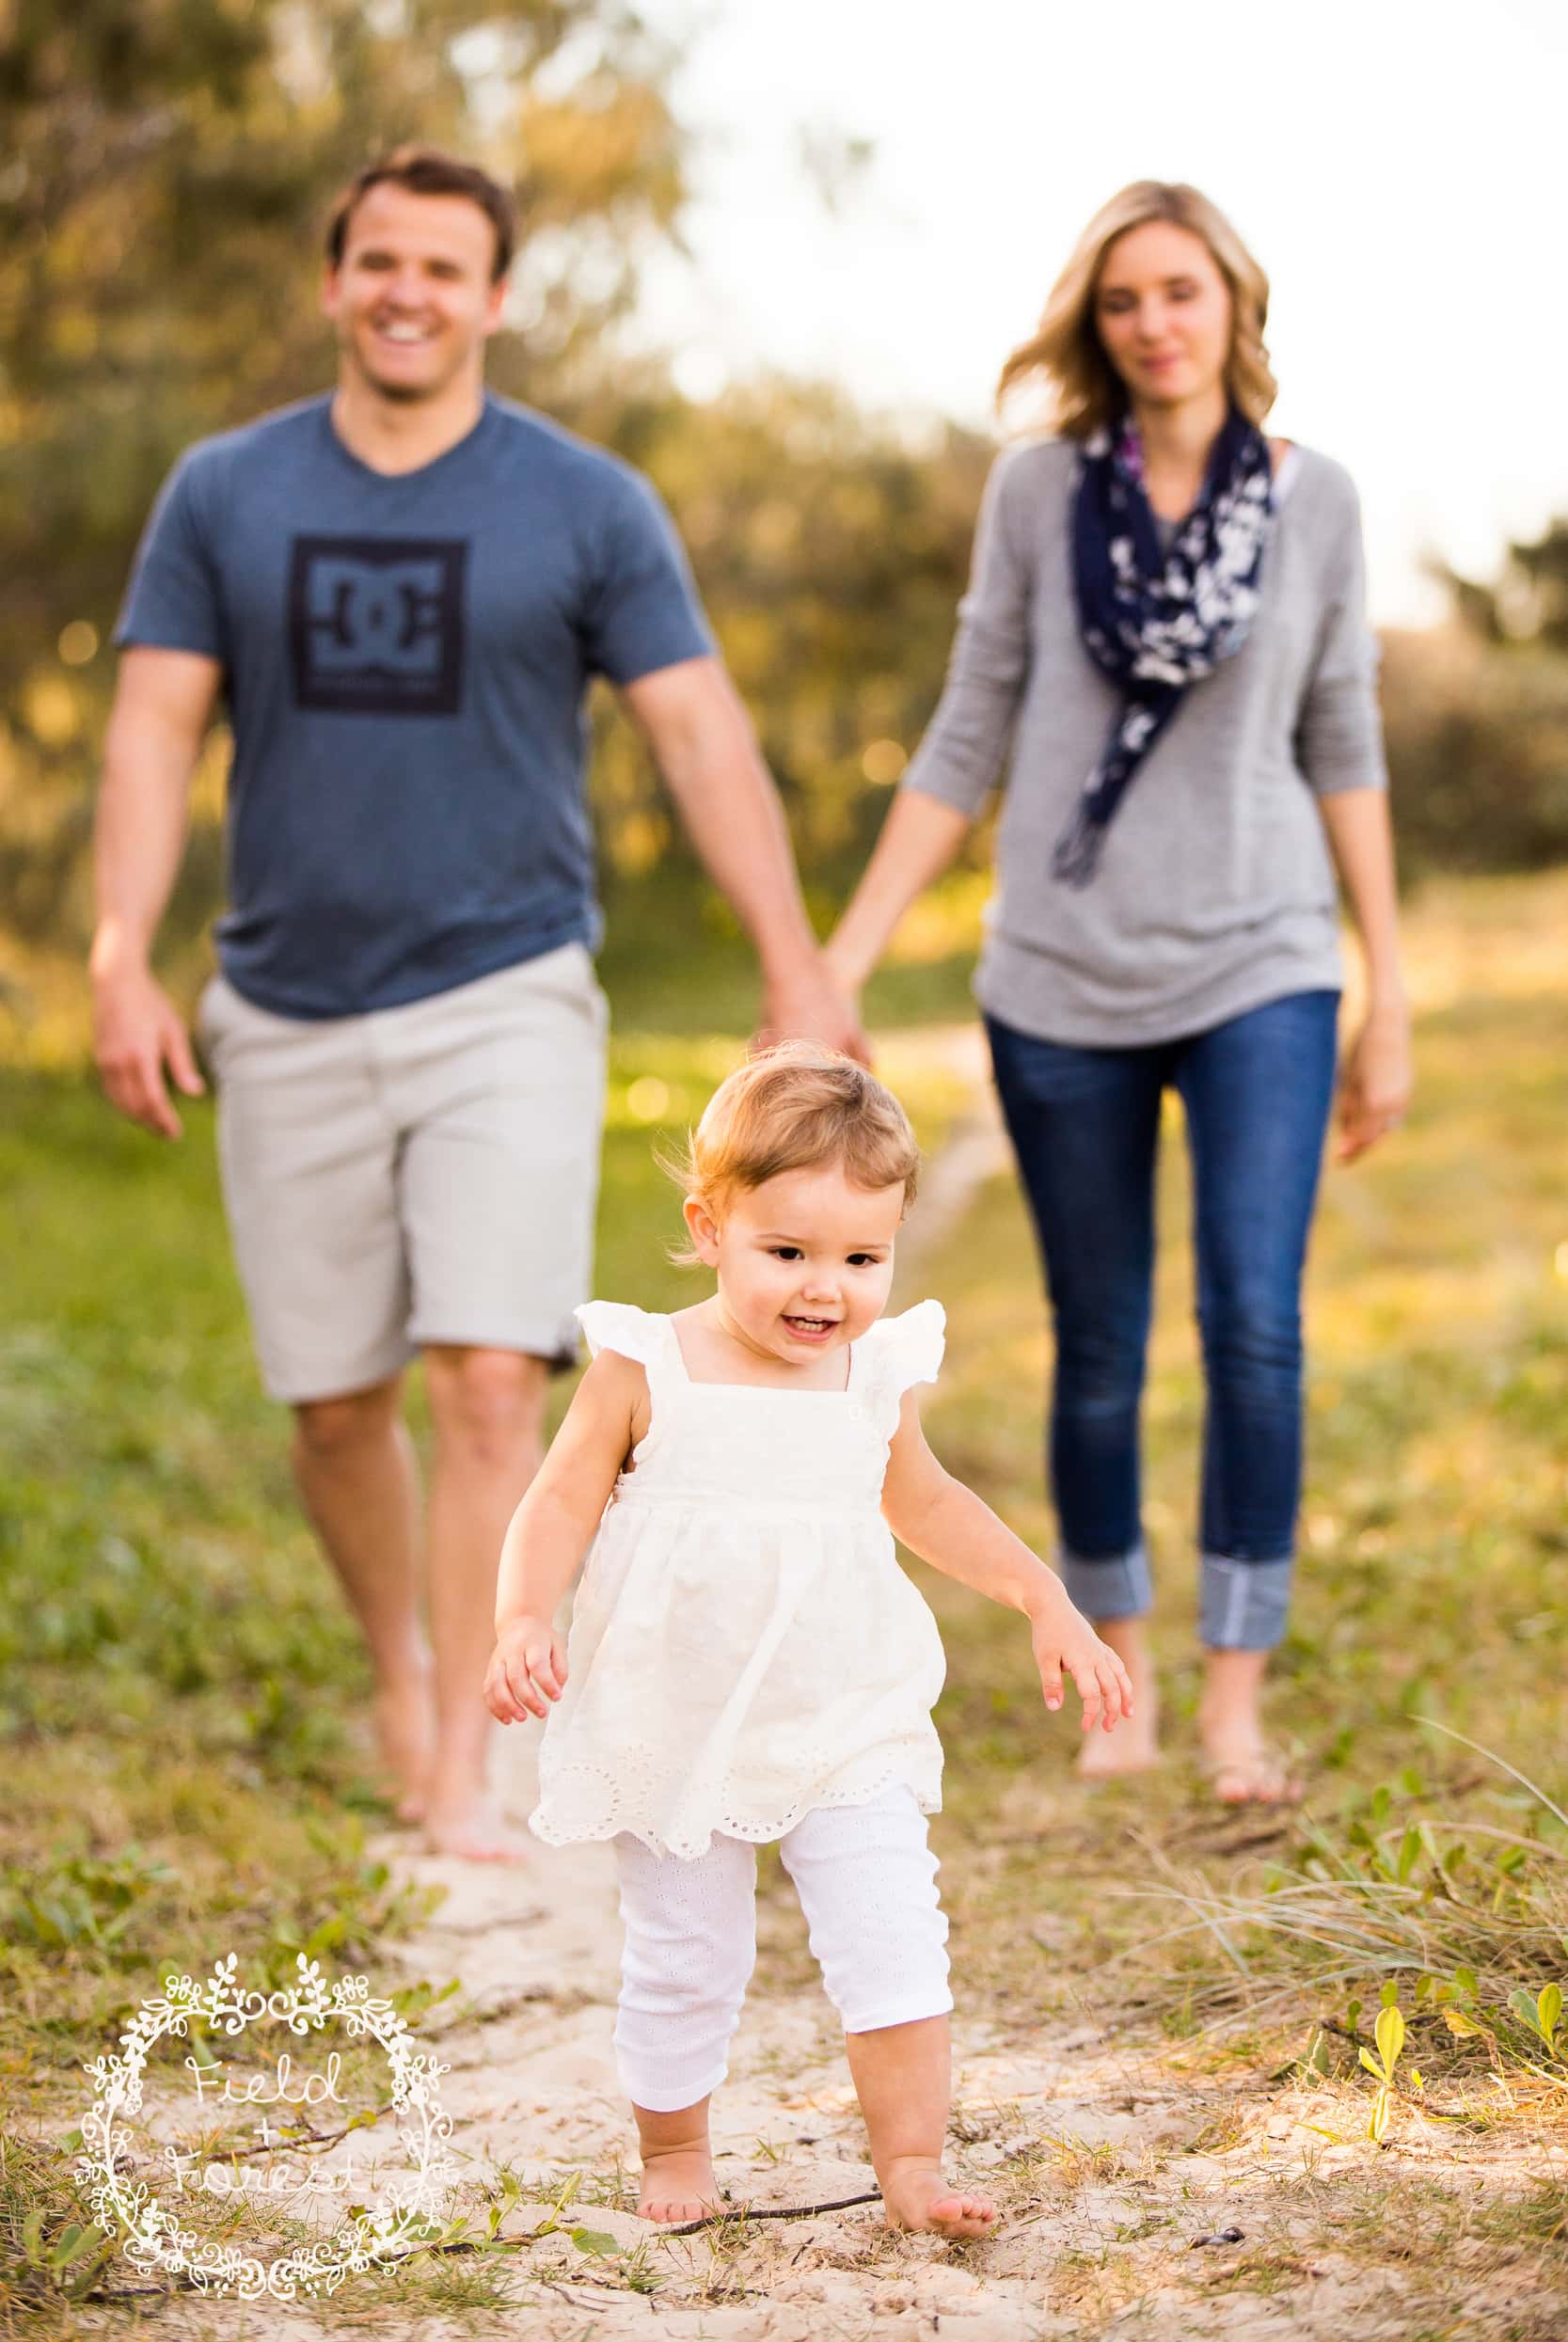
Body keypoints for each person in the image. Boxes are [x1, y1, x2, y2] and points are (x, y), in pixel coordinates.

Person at [90, 148, 862, 1862]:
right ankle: (398, 1669)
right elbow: (150, 726)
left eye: (445, 268)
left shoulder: (584, 504)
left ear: (495, 298)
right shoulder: (226, 492)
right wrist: (120, 945)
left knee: (489, 1382)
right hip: (280, 1002)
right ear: (334, 280)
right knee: (334, 1400)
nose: (409, 291)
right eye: (379, 261)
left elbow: (694, 731)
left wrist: (795, 957)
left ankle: (460, 1748)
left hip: (506, 989)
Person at [825, 182, 1412, 1804]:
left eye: (1179, 291)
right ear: (1096, 326)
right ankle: (1122, 1680)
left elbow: (1341, 741)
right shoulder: (1036, 497)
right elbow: (965, 733)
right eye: (1122, 300)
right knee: (1096, 1344)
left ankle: (1233, 1698)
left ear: (1233, 303)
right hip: (1059, 979)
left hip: (1262, 965)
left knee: (1253, 1326)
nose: (1153, 322)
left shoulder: (1318, 504)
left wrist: (1388, 984)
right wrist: (843, 959)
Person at [482, 1045, 1133, 2231]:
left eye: (859, 1258)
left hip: (844, 1709)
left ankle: (912, 2166)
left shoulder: (869, 1375)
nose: (820, 1289)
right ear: (709, 1223)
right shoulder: (645, 1363)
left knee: (892, 1928)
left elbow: (926, 1502)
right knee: (686, 1954)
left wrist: (1044, 1595)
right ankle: (673, 2148)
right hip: (673, 1713)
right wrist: (523, 1612)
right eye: (784, 1251)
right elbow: (558, 1500)